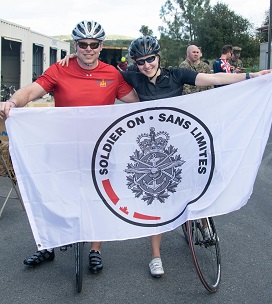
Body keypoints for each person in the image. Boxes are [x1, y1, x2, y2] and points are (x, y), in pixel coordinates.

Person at [60, 35, 271, 278]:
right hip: (153, 149)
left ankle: (203, 220)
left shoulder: (177, 75)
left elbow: (214, 78)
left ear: (158, 57)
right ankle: (156, 256)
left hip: (182, 141)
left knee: (200, 180)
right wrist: (77, 56)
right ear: (135, 63)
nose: (146, 65)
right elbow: (100, 70)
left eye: (150, 59)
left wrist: (250, 76)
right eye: (140, 61)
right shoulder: (132, 76)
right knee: (156, 200)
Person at [0, 20, 139, 273]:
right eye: (83, 44)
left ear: (101, 46)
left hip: (100, 150)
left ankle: (95, 250)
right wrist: (11, 102)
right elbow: (31, 92)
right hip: (63, 146)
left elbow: (138, 103)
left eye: (93, 44)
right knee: (52, 196)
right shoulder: (59, 69)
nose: (88, 49)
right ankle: (47, 246)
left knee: (99, 198)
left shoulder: (112, 73)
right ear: (76, 45)